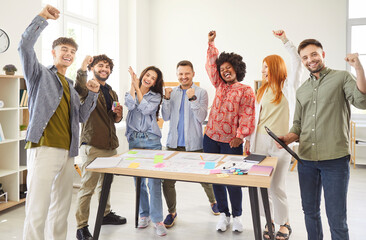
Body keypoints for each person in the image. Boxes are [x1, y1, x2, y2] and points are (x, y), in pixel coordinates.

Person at [18, 5, 99, 240]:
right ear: (54, 53)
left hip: (68, 152)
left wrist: (92, 94)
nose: (69, 54)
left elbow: (82, 117)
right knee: (37, 207)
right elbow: (24, 45)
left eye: (72, 51)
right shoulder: (39, 74)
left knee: (61, 209)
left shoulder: (72, 86)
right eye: (64, 49)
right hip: (44, 147)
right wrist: (42, 17)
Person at [277, 39, 366, 240]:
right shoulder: (302, 90)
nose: (311, 60)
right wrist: (288, 137)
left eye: (314, 54)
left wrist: (358, 68)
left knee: (337, 218)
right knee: (310, 212)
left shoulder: (342, 78)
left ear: (323, 54)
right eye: (305, 57)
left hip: (335, 160)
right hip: (306, 160)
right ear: (302, 61)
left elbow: (362, 101)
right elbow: (298, 125)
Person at [244, 30, 303, 240]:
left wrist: (285, 40)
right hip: (259, 142)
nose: (263, 73)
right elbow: (255, 119)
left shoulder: (289, 87)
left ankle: (284, 222)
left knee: (277, 185)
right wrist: (248, 141)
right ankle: (268, 220)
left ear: (276, 68)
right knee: (261, 184)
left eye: (266, 68)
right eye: (262, 70)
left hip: (281, 143)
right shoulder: (261, 90)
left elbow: (297, 61)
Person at [204, 30, 255, 233]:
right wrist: (211, 44)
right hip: (210, 138)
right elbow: (210, 65)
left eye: (229, 68)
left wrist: (240, 136)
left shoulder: (245, 90)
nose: (225, 71)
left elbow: (247, 114)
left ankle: (238, 217)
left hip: (231, 142)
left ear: (237, 69)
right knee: (216, 177)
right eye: (222, 69)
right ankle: (223, 215)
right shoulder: (218, 85)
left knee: (233, 179)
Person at [161, 60, 219, 228]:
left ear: (193, 74)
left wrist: (192, 98)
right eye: (180, 73)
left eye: (187, 73)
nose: (183, 76)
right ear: (177, 74)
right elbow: (165, 117)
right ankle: (172, 212)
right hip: (173, 144)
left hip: (194, 144)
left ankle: (213, 201)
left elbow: (201, 118)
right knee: (168, 181)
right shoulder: (172, 93)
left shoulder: (201, 92)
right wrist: (166, 98)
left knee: (204, 177)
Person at [74, 55, 127, 240]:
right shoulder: (87, 88)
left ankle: (105, 214)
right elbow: (78, 89)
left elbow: (114, 118)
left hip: (110, 145)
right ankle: (81, 227)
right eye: (100, 65)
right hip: (93, 145)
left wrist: (119, 116)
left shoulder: (112, 92)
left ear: (110, 71)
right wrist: (82, 67)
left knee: (106, 184)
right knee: (87, 187)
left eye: (107, 66)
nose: (104, 68)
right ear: (92, 68)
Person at [125, 66, 167, 236]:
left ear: (156, 82)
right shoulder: (132, 90)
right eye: (147, 75)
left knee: (154, 181)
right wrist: (133, 86)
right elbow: (129, 104)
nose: (149, 78)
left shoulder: (156, 96)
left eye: (153, 78)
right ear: (142, 75)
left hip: (153, 142)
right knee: (138, 181)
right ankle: (144, 215)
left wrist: (137, 89)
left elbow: (145, 109)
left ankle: (157, 220)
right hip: (134, 141)